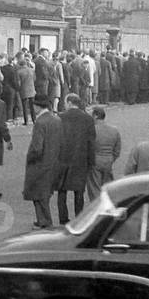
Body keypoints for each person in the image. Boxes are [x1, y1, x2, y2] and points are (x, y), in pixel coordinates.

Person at [53, 93, 97, 223]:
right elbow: (91, 142)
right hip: (80, 159)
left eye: (66, 103)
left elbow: (55, 141)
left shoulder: (60, 117)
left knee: (62, 191)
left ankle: (63, 218)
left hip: (63, 158)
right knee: (79, 191)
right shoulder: (88, 119)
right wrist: (91, 161)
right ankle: (79, 218)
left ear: (70, 103)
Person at [24, 96, 61, 229]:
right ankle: (42, 220)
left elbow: (37, 147)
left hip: (40, 162)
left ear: (37, 106)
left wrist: (30, 157)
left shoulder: (40, 122)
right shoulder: (56, 120)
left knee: (38, 193)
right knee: (45, 192)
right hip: (53, 160)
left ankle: (44, 221)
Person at [87, 105, 121, 199]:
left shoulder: (91, 129)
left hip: (95, 160)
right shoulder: (114, 130)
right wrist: (111, 158)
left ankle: (97, 208)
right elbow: (117, 149)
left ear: (96, 116)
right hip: (109, 160)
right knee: (108, 188)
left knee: (94, 188)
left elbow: (87, 147)